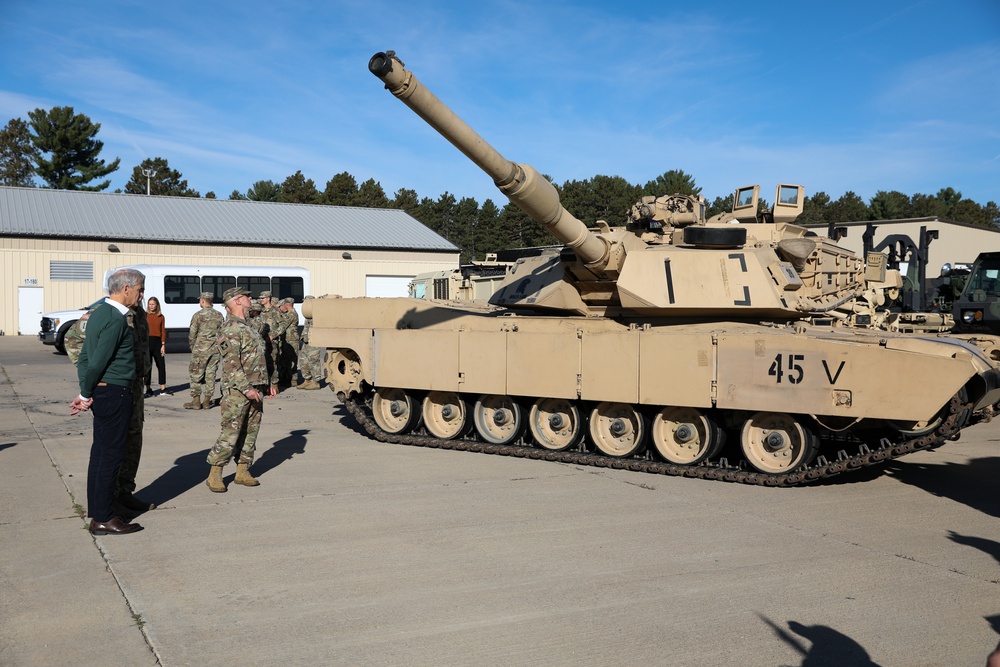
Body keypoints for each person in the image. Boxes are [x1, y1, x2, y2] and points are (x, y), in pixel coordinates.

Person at [70, 268, 146, 535]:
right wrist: (84, 393)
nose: (141, 295)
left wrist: (87, 391)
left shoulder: (100, 312)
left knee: (100, 454)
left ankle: (99, 510)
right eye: (139, 290)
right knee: (111, 456)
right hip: (115, 393)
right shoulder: (115, 319)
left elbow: (84, 359)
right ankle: (103, 517)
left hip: (104, 393)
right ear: (126, 289)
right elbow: (98, 361)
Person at [205, 286, 276, 493]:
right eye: (247, 296)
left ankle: (243, 470)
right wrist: (246, 389)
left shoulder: (249, 327)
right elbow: (231, 364)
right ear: (237, 300)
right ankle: (215, 473)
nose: (250, 298)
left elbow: (260, 358)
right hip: (237, 390)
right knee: (231, 431)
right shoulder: (230, 328)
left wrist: (268, 382)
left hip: (256, 387)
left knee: (251, 431)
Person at [185, 291, 224, 410]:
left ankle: (196, 401)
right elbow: (222, 333)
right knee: (211, 375)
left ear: (202, 300)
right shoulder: (219, 315)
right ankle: (207, 401)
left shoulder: (198, 315)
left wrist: (193, 347)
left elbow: (192, 334)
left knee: (196, 374)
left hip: (200, 349)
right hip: (214, 349)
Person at [258, 291, 282, 395]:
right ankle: (265, 385)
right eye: (261, 298)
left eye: (263, 298)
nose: (261, 300)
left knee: (272, 362)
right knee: (262, 363)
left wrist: (273, 335)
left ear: (268, 298)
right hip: (261, 341)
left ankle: (275, 384)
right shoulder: (260, 311)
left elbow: (283, 325)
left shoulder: (275, 312)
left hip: (272, 341)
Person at [297, 295, 322, 390]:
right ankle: (307, 380)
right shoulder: (308, 316)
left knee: (313, 361)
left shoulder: (317, 315)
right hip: (306, 341)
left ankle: (316, 382)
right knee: (304, 361)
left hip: (313, 341)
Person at [144, 296, 168, 397]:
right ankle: (148, 388)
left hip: (157, 342)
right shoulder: (145, 315)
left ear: (157, 305)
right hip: (147, 341)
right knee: (148, 366)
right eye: (150, 304)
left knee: (161, 365)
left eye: (153, 304)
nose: (151, 306)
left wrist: (163, 344)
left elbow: (163, 331)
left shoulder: (161, 316)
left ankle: (163, 388)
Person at [278, 297, 300, 387]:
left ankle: (293, 380)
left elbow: (284, 324)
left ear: (287, 304)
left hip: (292, 339)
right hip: (288, 338)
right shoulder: (290, 313)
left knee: (292, 360)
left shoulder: (292, 314)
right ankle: (287, 378)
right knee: (286, 359)